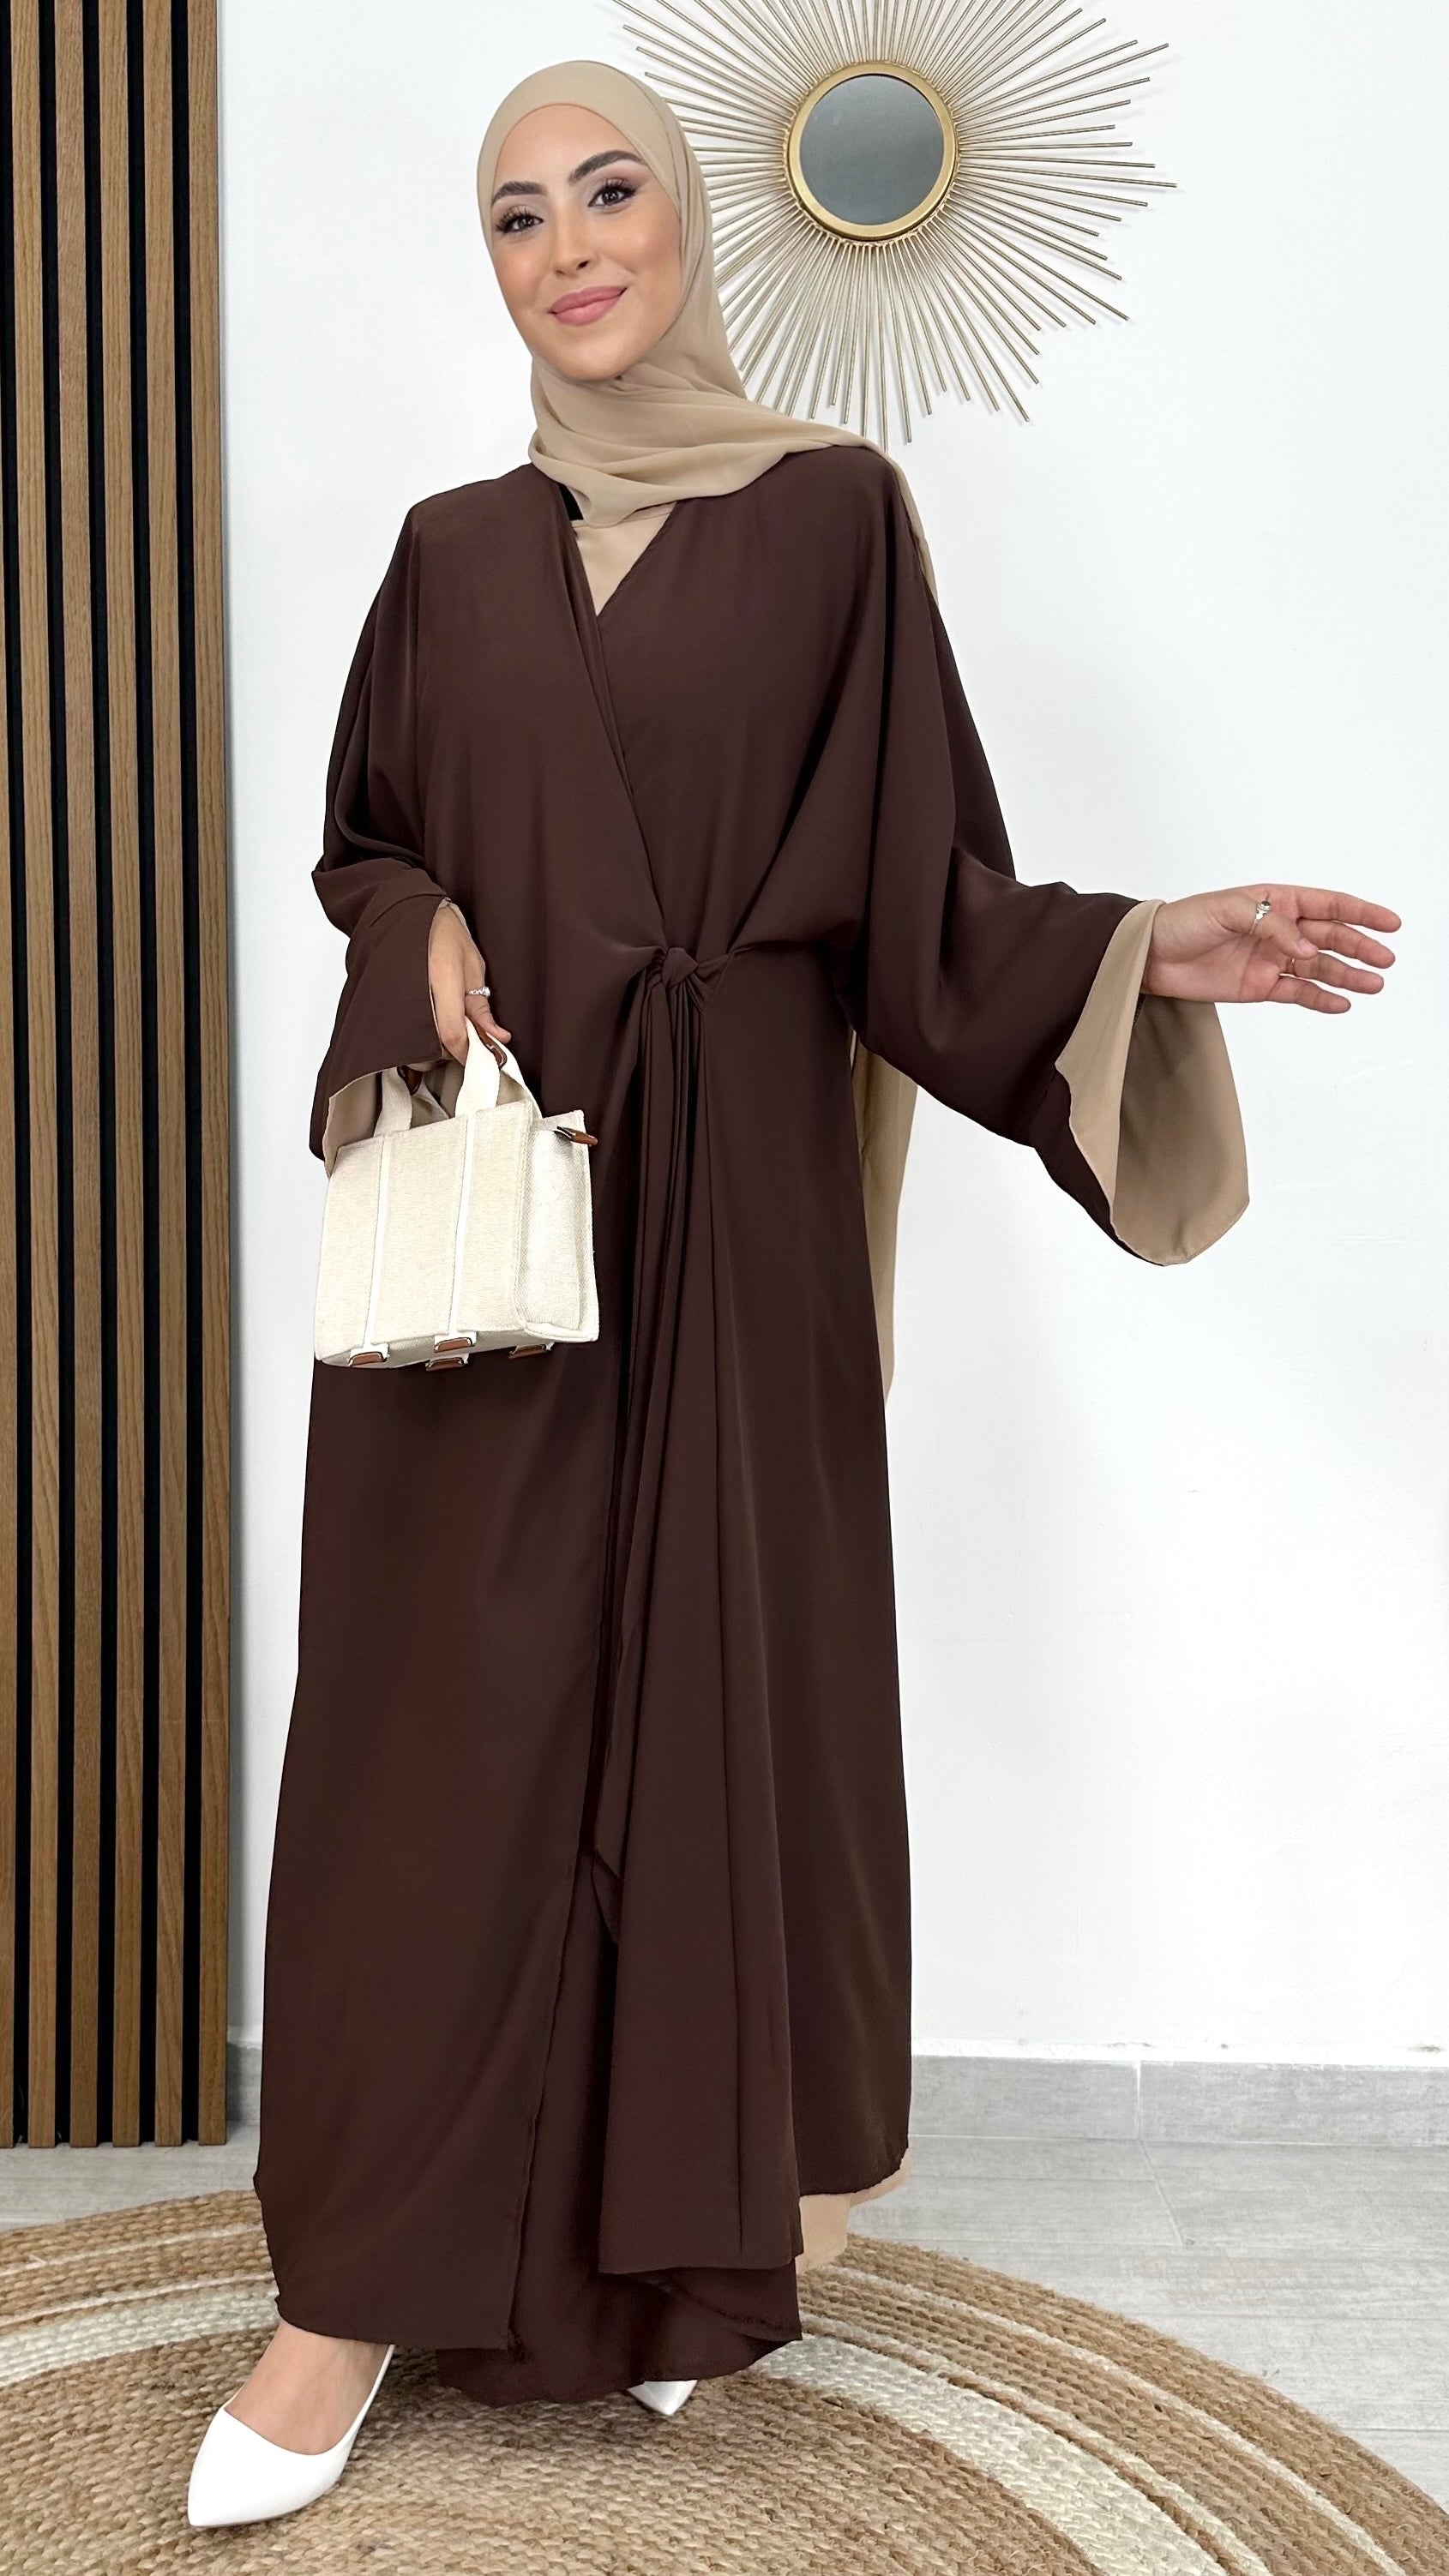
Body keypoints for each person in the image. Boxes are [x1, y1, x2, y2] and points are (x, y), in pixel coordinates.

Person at [186, 58, 1398, 2529]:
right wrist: (417, 928)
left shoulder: (836, 515)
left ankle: (688, 2241)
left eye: (608, 188)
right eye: (515, 213)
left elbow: (919, 900)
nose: (568, 246)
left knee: (714, 1701)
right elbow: (364, 840)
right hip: (499, 1193)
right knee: (432, 1723)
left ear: (690, 220)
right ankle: (346, 2301)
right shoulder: (444, 554)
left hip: (732, 1200)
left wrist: (1142, 947)